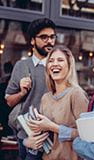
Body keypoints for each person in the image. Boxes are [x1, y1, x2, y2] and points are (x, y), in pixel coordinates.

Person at [23, 45, 88, 160]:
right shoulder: (46, 98)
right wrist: (29, 142)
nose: (54, 64)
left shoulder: (76, 94)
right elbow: (44, 136)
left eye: (60, 60)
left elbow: (87, 135)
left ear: (69, 65)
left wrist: (53, 127)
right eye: (51, 61)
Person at [5, 18, 56, 160]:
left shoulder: (58, 67)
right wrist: (22, 92)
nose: (49, 41)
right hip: (25, 136)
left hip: (51, 136)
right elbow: (9, 101)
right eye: (44, 37)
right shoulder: (21, 66)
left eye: (52, 37)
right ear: (33, 40)